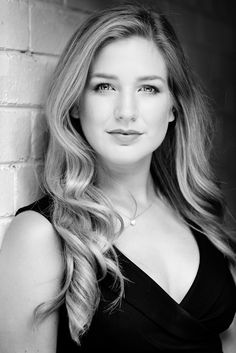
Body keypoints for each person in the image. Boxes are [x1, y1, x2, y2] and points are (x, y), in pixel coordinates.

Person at [0, 3, 235, 353]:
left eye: (149, 89)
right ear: (76, 102)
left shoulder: (200, 217)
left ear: (174, 107)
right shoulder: (41, 235)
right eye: (104, 87)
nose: (126, 112)